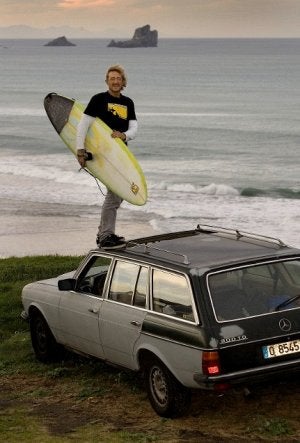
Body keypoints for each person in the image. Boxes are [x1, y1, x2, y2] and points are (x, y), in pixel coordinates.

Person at [76, 64, 138, 249]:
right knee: (114, 194)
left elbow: (134, 127)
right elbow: (83, 125)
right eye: (112, 78)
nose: (115, 81)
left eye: (118, 79)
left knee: (118, 195)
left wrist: (124, 135)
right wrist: (80, 150)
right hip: (103, 154)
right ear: (107, 81)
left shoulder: (128, 103)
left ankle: (104, 232)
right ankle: (105, 235)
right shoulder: (98, 99)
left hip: (120, 154)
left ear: (123, 81)